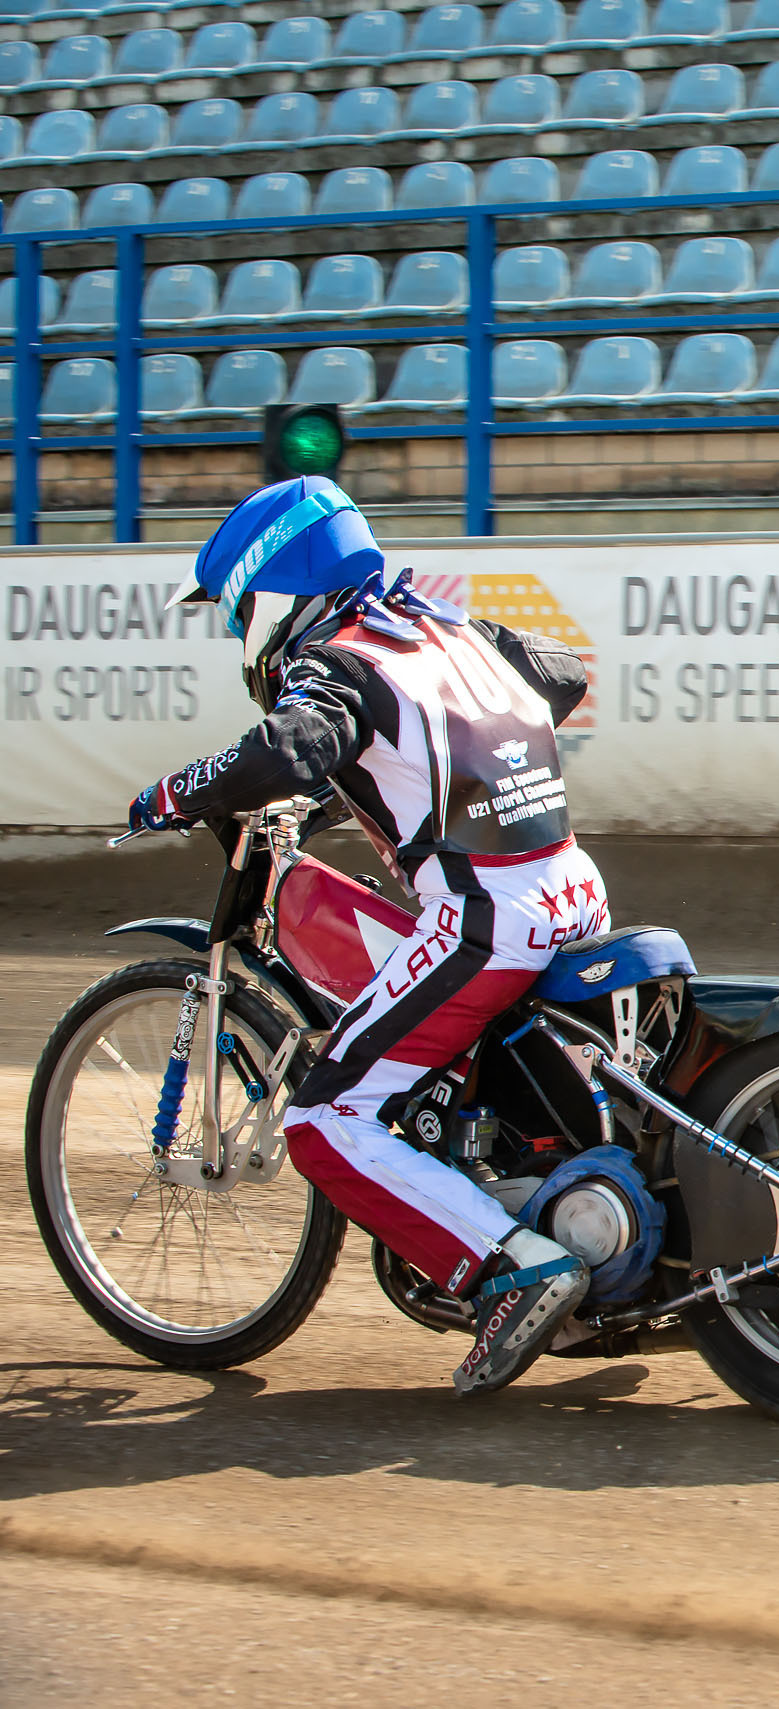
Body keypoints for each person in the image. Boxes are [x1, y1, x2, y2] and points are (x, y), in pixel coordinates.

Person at [131, 476, 609, 1395]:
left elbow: (284, 749)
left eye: (237, 616)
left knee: (322, 1114)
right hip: (572, 892)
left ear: (268, 593)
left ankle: (515, 1267)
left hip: (486, 919)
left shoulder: (337, 662)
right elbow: (562, 673)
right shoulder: (443, 630)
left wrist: (176, 792)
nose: (241, 637)